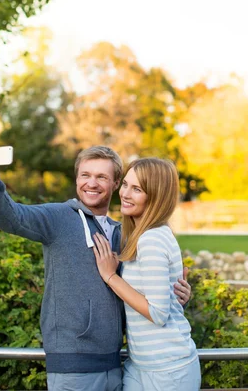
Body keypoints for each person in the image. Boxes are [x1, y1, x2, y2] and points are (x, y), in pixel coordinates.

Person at [0, 144, 191, 391]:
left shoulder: (124, 234)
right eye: (85, 175)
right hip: (73, 368)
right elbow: (10, 217)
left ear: (116, 183)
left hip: (118, 364)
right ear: (77, 179)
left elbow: (146, 295)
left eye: (102, 177)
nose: (92, 183)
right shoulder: (58, 218)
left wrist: (178, 298)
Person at [93, 157, 201, 391]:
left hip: (167, 371)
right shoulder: (145, 236)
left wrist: (111, 277)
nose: (125, 194)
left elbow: (158, 313)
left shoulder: (151, 239)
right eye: (125, 185)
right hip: (142, 365)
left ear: (156, 197)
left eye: (137, 189)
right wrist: (178, 297)